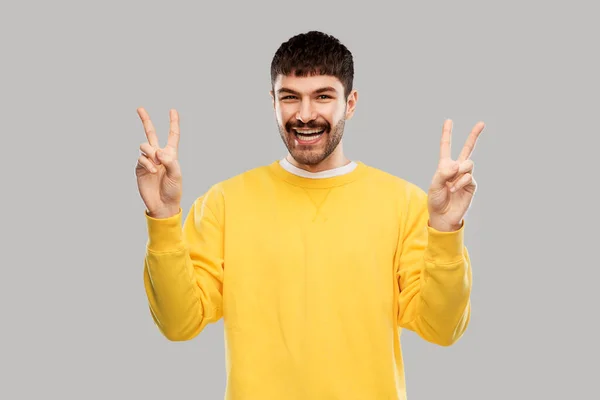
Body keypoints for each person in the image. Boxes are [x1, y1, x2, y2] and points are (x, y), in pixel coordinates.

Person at [135, 30, 484, 400]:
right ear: (273, 102)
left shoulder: (405, 203)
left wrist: (446, 231)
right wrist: (164, 216)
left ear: (350, 103)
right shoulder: (224, 202)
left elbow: (442, 329)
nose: (304, 115)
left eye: (323, 96)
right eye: (290, 97)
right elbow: (178, 323)